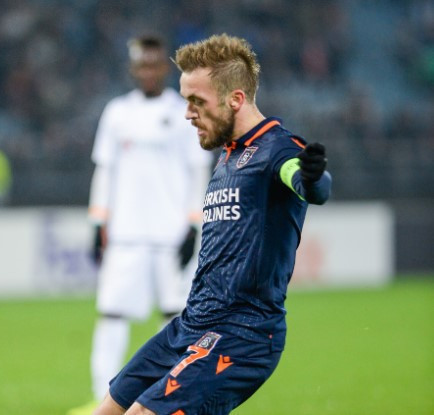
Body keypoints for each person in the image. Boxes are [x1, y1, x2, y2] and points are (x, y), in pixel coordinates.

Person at [93, 34, 332, 415]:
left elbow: (307, 182)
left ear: (235, 99)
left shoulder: (277, 149)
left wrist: (312, 177)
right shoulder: (228, 155)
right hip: (192, 324)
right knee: (107, 410)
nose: (187, 113)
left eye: (197, 101)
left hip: (242, 335)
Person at [68, 36, 212, 415]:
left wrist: (193, 225)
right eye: (141, 65)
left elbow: (198, 171)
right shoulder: (117, 113)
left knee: (176, 319)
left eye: (154, 64)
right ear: (133, 69)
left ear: (164, 68)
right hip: (126, 236)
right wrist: (98, 221)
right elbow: (105, 170)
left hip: (171, 236)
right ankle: (102, 400)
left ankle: (167, 399)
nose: (148, 72)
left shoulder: (184, 112)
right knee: (112, 314)